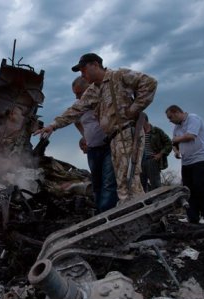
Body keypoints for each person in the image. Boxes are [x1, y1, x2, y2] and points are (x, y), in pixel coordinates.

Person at [35, 53, 158, 203]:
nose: (82, 74)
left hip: (126, 132)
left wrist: (133, 109)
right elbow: (75, 110)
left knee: (128, 180)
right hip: (114, 138)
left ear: (95, 64)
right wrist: (52, 126)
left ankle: (137, 216)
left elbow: (149, 82)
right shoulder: (93, 90)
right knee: (124, 182)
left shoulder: (118, 76)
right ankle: (135, 214)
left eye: (83, 69)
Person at [73, 77, 118, 213]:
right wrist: (85, 136)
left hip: (109, 147)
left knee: (109, 182)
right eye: (75, 94)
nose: (77, 96)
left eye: (79, 93)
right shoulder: (78, 105)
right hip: (92, 149)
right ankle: (100, 213)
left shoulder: (102, 100)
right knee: (97, 183)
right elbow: (76, 121)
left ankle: (107, 214)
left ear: (89, 88)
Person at [165, 105, 204, 224]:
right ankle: (192, 216)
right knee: (188, 189)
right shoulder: (176, 127)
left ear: (176, 112)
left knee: (200, 187)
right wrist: (176, 152)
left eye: (170, 117)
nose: (169, 120)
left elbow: (191, 136)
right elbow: (174, 143)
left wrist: (176, 140)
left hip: (201, 159)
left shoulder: (193, 118)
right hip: (186, 161)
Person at [140, 113, 172, 192]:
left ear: (144, 120)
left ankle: (159, 202)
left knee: (156, 185)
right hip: (140, 162)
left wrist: (160, 154)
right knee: (141, 186)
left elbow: (169, 143)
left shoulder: (156, 131)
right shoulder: (138, 133)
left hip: (152, 160)